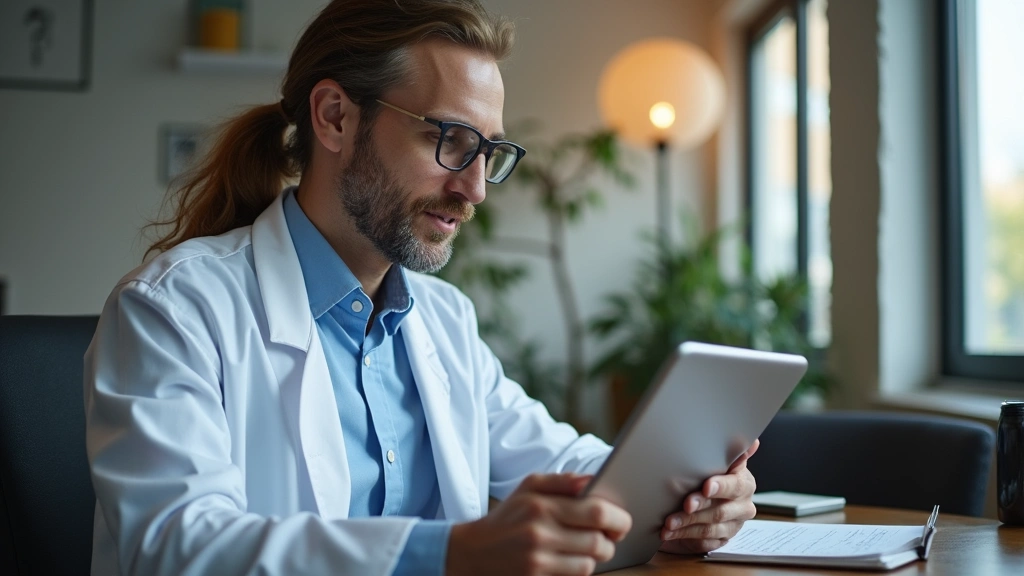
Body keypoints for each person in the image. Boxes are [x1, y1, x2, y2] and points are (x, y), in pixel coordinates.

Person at [84, 1, 757, 574]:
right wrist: (450, 552)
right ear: (336, 118)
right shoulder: (172, 308)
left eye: (488, 154)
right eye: (450, 141)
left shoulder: (442, 320)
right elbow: (174, 544)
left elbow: (566, 460)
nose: (473, 189)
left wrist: (694, 493)